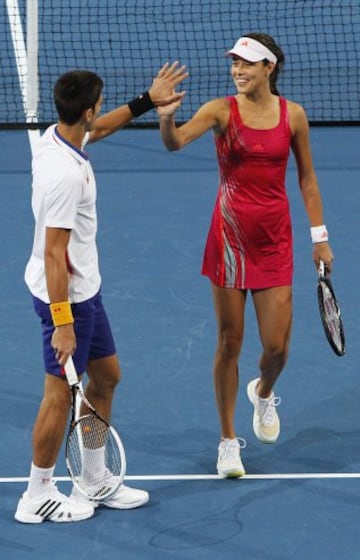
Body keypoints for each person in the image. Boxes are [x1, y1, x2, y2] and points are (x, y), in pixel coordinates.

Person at [15, 62, 188, 523]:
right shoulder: (65, 176)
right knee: (59, 396)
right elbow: (55, 254)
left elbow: (103, 129)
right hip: (66, 299)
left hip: (84, 293)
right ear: (88, 111)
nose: (101, 115)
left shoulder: (60, 137)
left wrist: (147, 101)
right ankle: (37, 493)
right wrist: (63, 322)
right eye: (99, 108)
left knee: (107, 378)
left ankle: (92, 478)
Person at [157, 33, 334, 477]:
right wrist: (165, 119)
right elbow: (175, 143)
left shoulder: (293, 116)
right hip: (230, 241)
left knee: (276, 348)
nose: (238, 71)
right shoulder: (220, 110)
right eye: (235, 63)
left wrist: (320, 235)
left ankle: (264, 392)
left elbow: (307, 180)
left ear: (269, 68)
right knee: (229, 342)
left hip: (275, 241)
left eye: (247, 64)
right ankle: (228, 440)